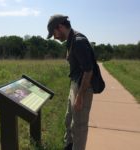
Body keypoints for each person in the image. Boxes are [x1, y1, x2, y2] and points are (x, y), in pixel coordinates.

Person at [47, 14, 94, 150]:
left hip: (83, 88)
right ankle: (69, 146)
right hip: (75, 85)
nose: (54, 37)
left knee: (78, 127)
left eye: (54, 33)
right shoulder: (71, 39)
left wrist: (80, 96)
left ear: (60, 27)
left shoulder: (78, 41)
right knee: (69, 121)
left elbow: (89, 71)